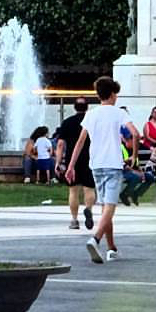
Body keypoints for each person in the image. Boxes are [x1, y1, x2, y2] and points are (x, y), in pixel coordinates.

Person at [67, 76, 137, 264]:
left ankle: (112, 248)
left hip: (96, 164)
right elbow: (135, 133)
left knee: (106, 206)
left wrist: (71, 165)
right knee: (110, 207)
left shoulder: (91, 114)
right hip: (113, 164)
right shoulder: (119, 113)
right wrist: (134, 156)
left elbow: (80, 141)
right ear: (113, 94)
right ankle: (95, 238)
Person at [56, 98, 95, 231]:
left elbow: (61, 144)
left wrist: (58, 162)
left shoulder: (67, 122)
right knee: (89, 188)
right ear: (87, 107)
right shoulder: (92, 121)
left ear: (74, 107)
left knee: (73, 190)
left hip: (72, 159)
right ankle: (88, 210)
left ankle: (74, 219)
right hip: (89, 158)